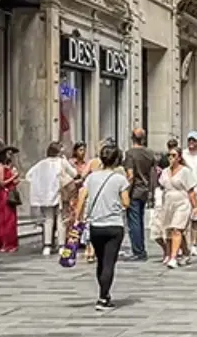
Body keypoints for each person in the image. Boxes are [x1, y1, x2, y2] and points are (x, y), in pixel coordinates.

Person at [77, 144, 131, 308]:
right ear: (116, 161)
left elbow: (81, 197)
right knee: (109, 262)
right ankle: (103, 297)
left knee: (101, 260)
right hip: (114, 225)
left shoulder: (91, 177)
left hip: (96, 225)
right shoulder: (120, 179)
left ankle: (103, 293)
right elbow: (126, 203)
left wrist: (77, 218)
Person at [154, 144, 197, 269]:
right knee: (170, 230)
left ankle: (173, 257)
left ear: (179, 157)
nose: (171, 158)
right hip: (168, 203)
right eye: (169, 155)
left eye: (174, 155)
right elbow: (162, 188)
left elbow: (191, 191)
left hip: (182, 202)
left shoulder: (185, 171)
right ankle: (185, 252)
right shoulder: (165, 172)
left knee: (177, 229)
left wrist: (195, 207)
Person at [22, 142, 70, 256]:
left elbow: (29, 176)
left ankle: (47, 246)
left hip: (45, 196)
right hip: (59, 195)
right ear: (58, 152)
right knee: (60, 220)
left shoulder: (41, 164)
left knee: (48, 220)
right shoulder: (62, 162)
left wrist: (41, 185)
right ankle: (61, 246)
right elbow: (74, 173)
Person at [122, 130, 156, 262]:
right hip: (145, 190)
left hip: (134, 191)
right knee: (140, 221)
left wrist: (126, 193)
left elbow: (130, 175)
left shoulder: (130, 154)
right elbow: (153, 173)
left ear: (132, 138)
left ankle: (138, 250)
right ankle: (140, 248)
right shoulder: (149, 153)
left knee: (134, 222)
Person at [0, 146, 21, 254]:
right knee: (4, 219)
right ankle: (4, 244)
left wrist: (16, 178)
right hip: (4, 194)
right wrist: (13, 177)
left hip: (11, 193)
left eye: (11, 154)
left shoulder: (10, 166)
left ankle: (11, 243)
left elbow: (15, 181)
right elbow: (2, 182)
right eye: (9, 153)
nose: (10, 156)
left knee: (11, 220)